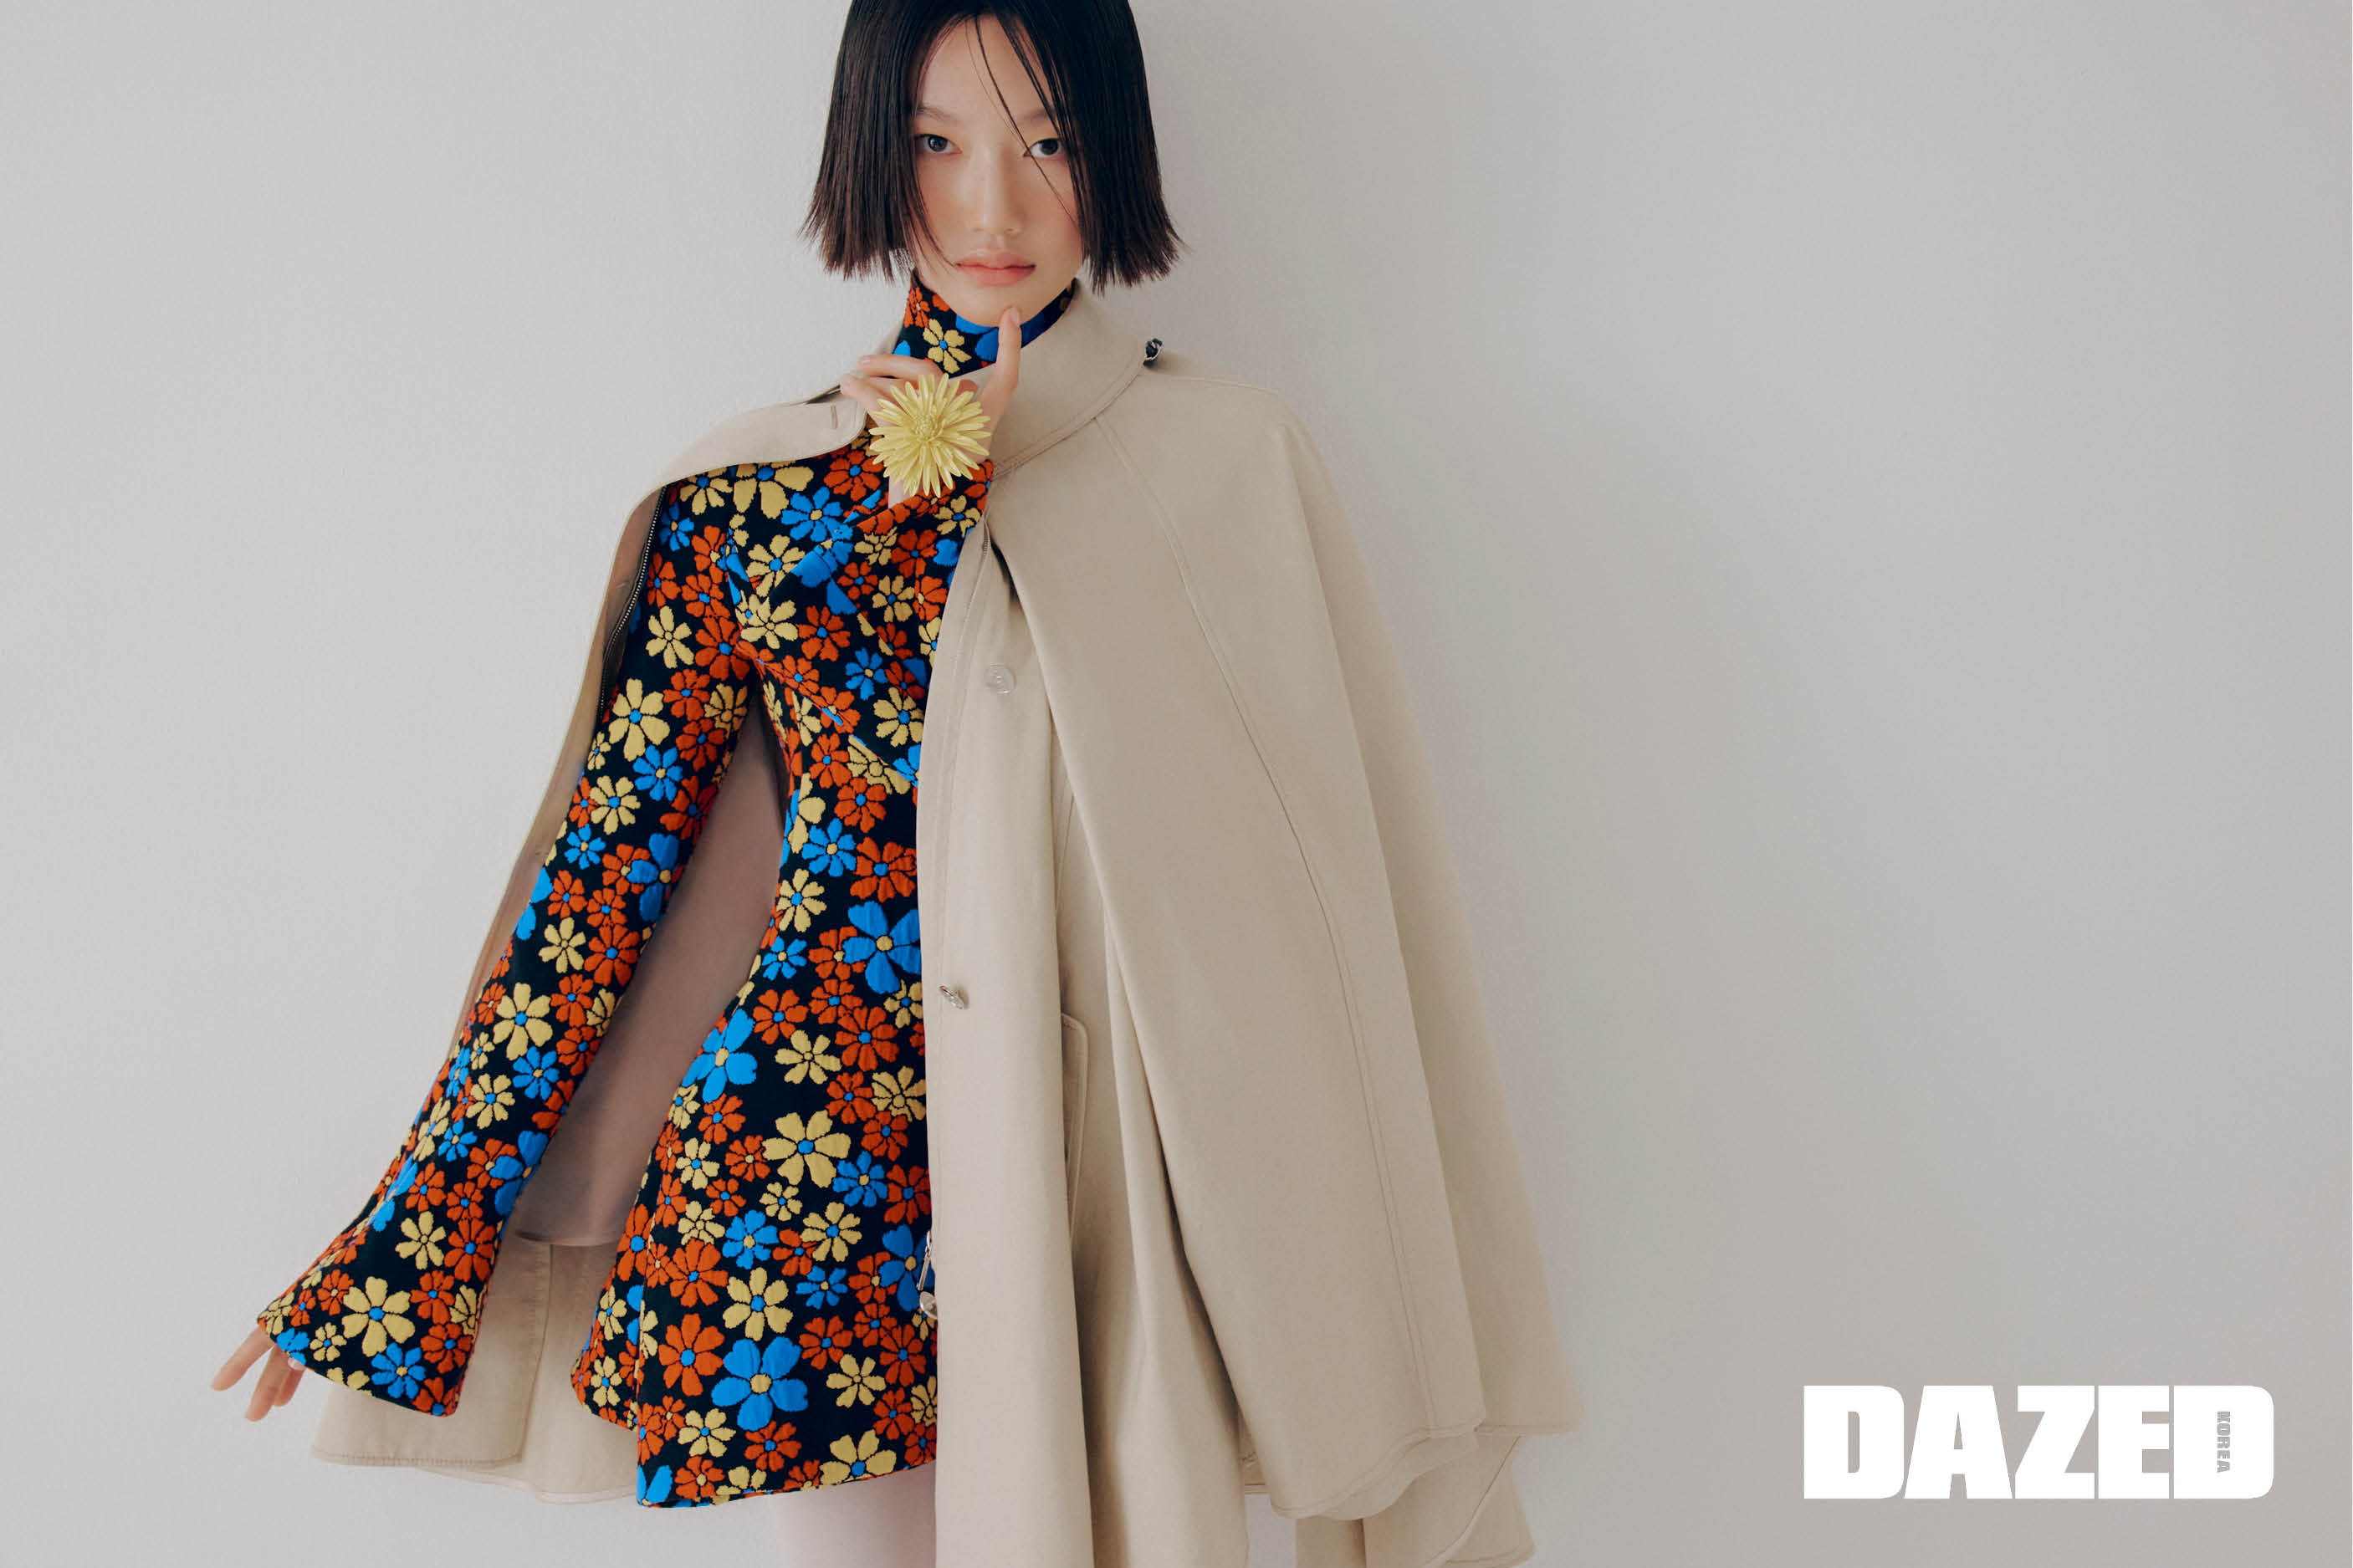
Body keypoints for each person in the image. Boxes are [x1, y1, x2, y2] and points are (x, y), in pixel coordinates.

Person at [215, 3, 1581, 1565]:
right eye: (936, 142)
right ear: (870, 150)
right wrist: (403, 1242)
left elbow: (1339, 923)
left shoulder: (1231, 464)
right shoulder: (752, 496)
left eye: (1049, 140)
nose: (993, 204)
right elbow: (598, 886)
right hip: (813, 1182)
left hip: (1115, 1184)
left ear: (1115, 154)